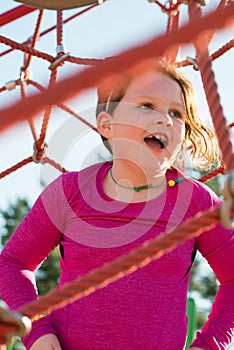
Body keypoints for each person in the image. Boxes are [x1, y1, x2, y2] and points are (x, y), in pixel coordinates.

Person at [0, 59, 233, 350]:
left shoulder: (196, 202)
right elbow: (13, 262)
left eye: (176, 113)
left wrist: (211, 344)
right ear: (107, 125)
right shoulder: (70, 192)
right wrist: (37, 331)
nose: (164, 119)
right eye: (147, 105)